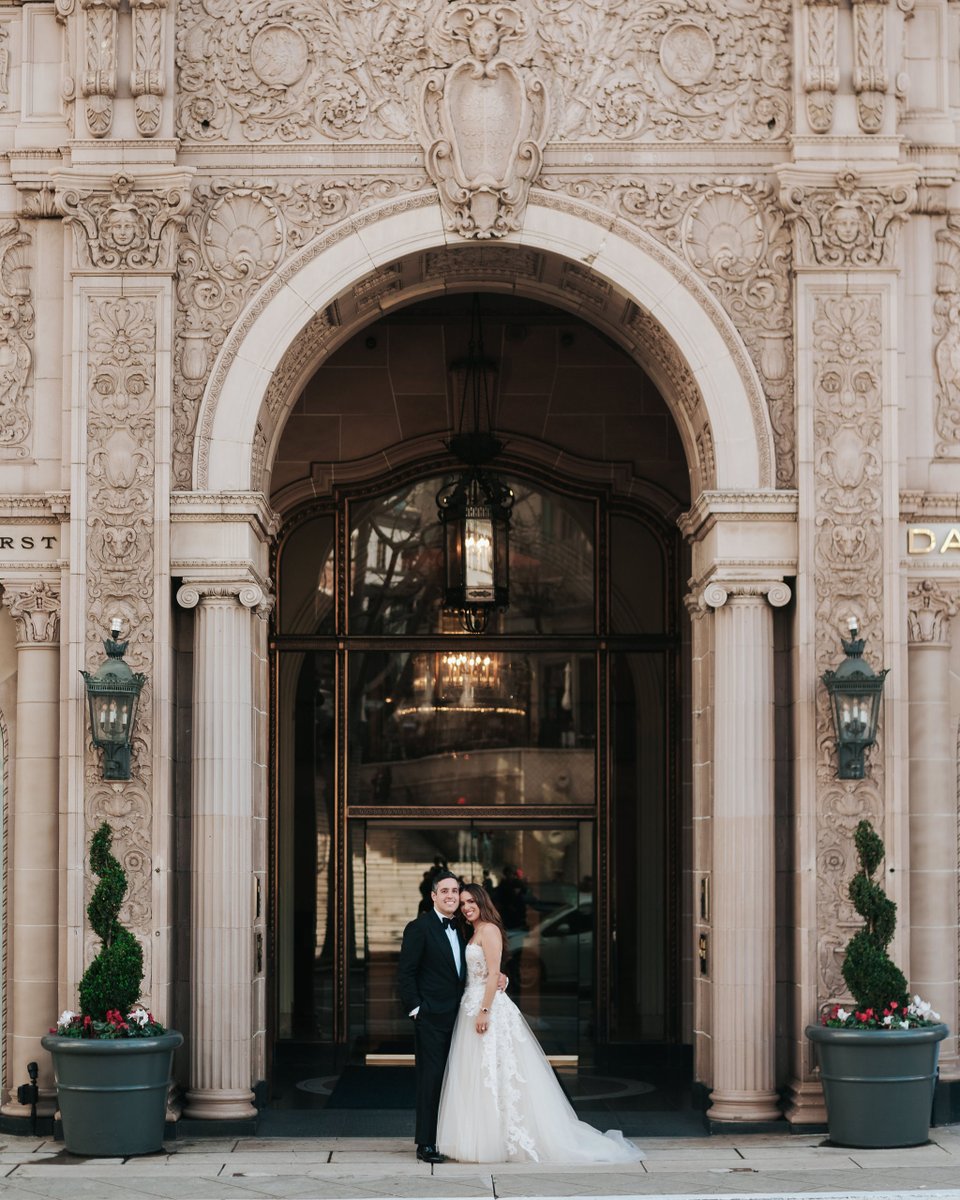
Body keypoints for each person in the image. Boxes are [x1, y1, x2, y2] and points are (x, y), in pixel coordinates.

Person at [435, 883, 645, 1165]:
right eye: (463, 903)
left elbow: (495, 970)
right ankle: (481, 1138)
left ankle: (504, 1140)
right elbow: (486, 972)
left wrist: (485, 1010)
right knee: (479, 1077)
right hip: (470, 1005)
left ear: (483, 902)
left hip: (487, 1009)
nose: (466, 907)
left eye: (471, 901)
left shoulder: (489, 930)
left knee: (497, 1074)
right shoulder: (472, 932)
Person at [397, 870, 506, 1163]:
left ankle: (452, 1138)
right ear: (433, 895)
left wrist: (498, 976)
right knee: (431, 1080)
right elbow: (405, 973)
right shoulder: (419, 928)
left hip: (463, 1016)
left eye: (454, 891)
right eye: (444, 891)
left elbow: (476, 965)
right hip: (431, 1017)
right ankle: (426, 1144)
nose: (450, 896)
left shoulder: (463, 926)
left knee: (458, 1080)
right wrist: (417, 1010)